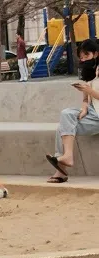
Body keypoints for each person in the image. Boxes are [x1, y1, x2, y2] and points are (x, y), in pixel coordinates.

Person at [47, 39, 99, 183]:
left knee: (66, 117)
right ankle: (61, 170)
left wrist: (89, 90)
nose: (83, 60)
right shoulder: (90, 74)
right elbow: (85, 100)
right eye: (81, 57)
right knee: (63, 126)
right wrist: (83, 109)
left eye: (86, 55)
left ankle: (66, 157)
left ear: (96, 54)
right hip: (93, 115)